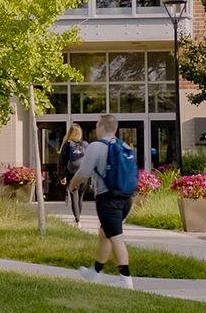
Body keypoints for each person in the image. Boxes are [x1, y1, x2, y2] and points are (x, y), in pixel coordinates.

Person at [70, 114, 138, 289]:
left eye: (96, 125)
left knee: (116, 238)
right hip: (126, 198)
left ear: (101, 127)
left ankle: (126, 279)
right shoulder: (123, 145)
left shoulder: (96, 146)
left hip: (108, 199)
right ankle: (96, 272)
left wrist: (72, 185)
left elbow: (84, 173)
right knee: (104, 234)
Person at [58, 123, 89, 225]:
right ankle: (78, 218)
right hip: (84, 175)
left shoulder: (67, 145)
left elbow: (62, 161)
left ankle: (77, 220)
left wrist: (62, 176)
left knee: (74, 197)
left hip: (72, 175)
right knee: (80, 198)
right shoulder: (85, 144)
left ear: (70, 133)